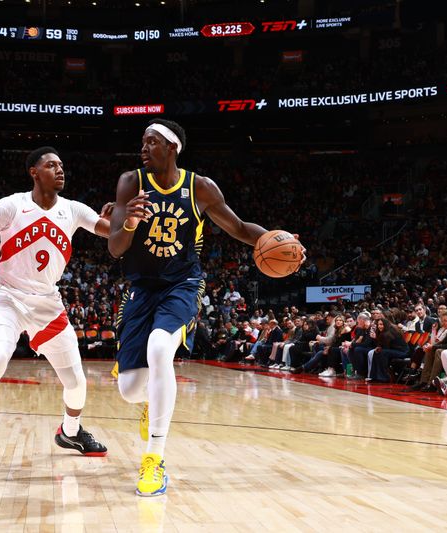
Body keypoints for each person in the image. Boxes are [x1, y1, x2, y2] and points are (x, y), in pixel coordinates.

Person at [108, 119, 304, 496]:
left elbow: (240, 228)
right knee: (131, 390)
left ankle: (154, 459)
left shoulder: (199, 187)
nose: (143, 148)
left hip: (182, 284)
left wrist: (279, 239)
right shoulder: (130, 182)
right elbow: (116, 247)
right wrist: (130, 221)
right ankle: (151, 403)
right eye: (142, 142)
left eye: (151, 142)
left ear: (172, 147)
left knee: (160, 348)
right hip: (141, 287)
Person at [0, 146, 111, 487]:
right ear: (34, 172)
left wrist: (128, 220)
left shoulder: (73, 209)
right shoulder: (12, 204)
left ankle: (70, 432)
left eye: (62, 165)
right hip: (7, 297)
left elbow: (110, 231)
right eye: (52, 165)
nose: (60, 169)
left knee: (77, 384)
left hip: (47, 304)